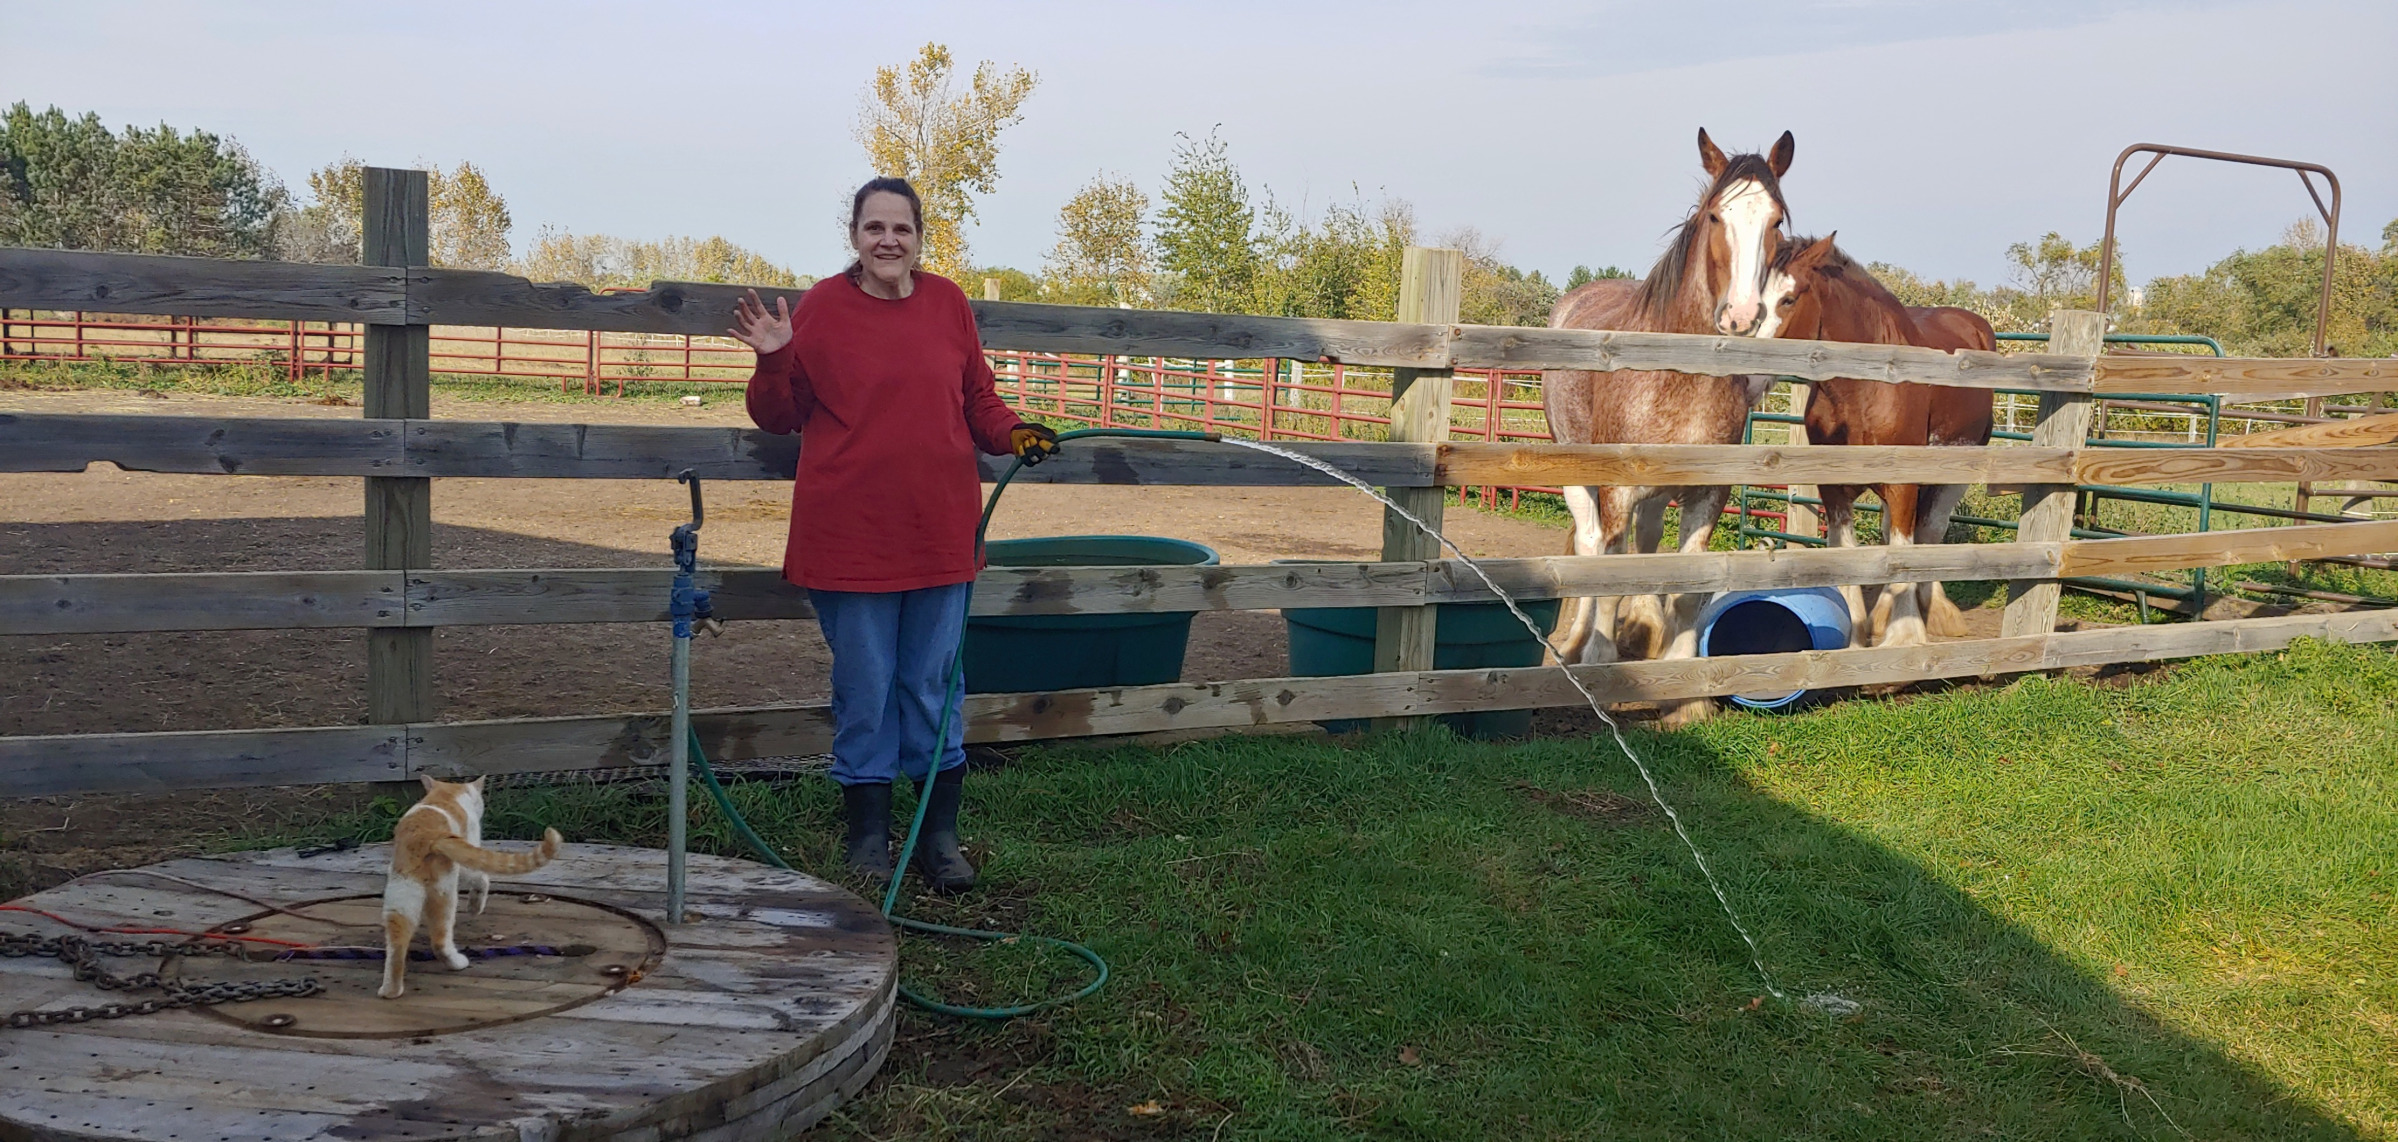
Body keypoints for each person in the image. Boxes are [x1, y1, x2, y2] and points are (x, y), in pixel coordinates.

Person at [728, 176, 1058, 892]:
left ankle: (938, 837)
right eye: (874, 227)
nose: (888, 240)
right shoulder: (822, 307)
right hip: (850, 536)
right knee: (867, 686)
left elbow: (978, 400)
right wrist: (774, 357)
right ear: (853, 235)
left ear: (919, 237)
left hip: (939, 531)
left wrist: (1013, 433)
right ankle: (868, 838)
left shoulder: (948, 304)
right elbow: (779, 416)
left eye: (901, 228)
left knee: (933, 684)